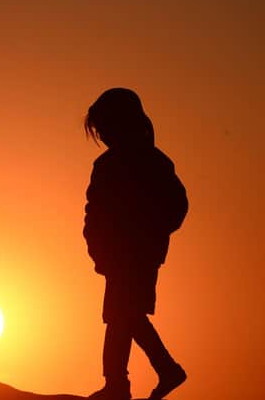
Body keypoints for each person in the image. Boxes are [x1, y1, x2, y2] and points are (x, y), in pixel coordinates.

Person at [82, 88, 188, 400]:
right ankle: (143, 376)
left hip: (138, 256)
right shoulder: (108, 165)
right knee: (124, 315)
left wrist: (151, 234)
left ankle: (121, 383)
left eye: (105, 126)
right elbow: (95, 209)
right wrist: (96, 245)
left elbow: (176, 205)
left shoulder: (152, 163)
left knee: (122, 315)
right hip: (117, 255)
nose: (102, 134)